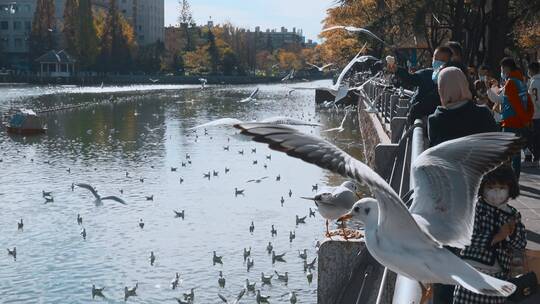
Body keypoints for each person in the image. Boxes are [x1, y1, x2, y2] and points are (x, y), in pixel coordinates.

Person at [453, 166, 526, 304]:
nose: (496, 192)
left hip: (498, 277)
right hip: (472, 273)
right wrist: (498, 236)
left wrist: (513, 232)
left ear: (510, 188)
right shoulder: (474, 208)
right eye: (491, 187)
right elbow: (469, 237)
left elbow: (521, 243)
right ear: (482, 186)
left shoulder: (513, 214)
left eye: (502, 187)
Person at [427, 67, 498, 147]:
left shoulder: (434, 120)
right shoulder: (483, 113)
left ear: (441, 88)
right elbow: (497, 144)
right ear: (464, 84)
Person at [389, 46, 453, 124]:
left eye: (442, 60)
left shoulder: (453, 79)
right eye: (436, 59)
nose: (438, 62)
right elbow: (411, 79)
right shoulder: (426, 74)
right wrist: (397, 70)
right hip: (419, 117)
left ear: (449, 62)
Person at [498, 57, 534, 178]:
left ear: (507, 68)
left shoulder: (511, 83)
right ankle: (514, 177)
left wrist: (524, 119)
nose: (502, 71)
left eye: (502, 69)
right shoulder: (521, 82)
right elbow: (529, 103)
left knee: (507, 152)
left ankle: (510, 178)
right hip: (519, 122)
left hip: (511, 121)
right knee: (515, 152)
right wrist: (527, 119)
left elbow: (516, 104)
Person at [527, 61, 540, 165]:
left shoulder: (533, 82)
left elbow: (532, 99)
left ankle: (536, 159)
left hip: (535, 114)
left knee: (535, 137)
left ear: (531, 70)